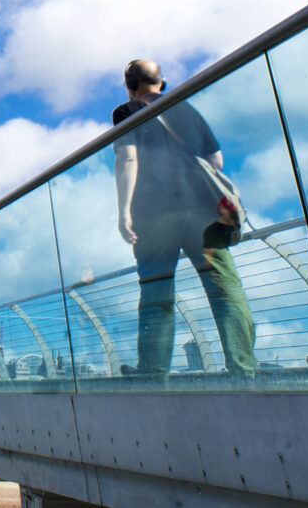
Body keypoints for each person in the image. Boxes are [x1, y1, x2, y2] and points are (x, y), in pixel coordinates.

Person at [113, 59, 256, 379]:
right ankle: (243, 367)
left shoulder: (126, 110)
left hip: (153, 214)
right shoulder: (186, 108)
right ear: (161, 83)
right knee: (224, 286)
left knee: (156, 289)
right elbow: (216, 161)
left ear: (130, 86)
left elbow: (128, 158)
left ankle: (153, 370)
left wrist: (123, 212)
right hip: (204, 213)